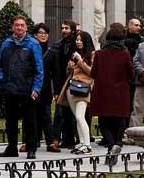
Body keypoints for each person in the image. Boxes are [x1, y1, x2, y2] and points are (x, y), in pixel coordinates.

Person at [0, 15, 44, 159]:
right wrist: (1, 80)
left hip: (27, 89)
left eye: (22, 25)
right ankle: (11, 147)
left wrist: (36, 88)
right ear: (12, 27)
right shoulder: (6, 44)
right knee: (10, 121)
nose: (19, 27)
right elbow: (0, 65)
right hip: (10, 88)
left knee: (29, 121)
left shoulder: (33, 44)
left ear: (26, 27)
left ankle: (31, 148)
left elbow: (39, 69)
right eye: (17, 25)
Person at [91, 23, 135, 163]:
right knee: (119, 120)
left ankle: (111, 147)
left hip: (102, 92)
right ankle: (117, 143)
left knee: (104, 121)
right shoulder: (125, 54)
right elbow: (131, 73)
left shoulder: (99, 54)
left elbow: (93, 73)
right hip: (120, 92)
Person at [56, 31, 95, 154]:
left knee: (79, 116)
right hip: (71, 87)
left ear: (86, 41)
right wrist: (70, 66)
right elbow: (70, 72)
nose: (78, 42)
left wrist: (79, 61)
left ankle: (87, 145)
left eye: (80, 40)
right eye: (77, 40)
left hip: (83, 88)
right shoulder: (75, 54)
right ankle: (82, 142)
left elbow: (91, 72)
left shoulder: (93, 54)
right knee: (77, 118)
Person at [47, 21, 79, 152]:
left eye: (66, 28)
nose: (64, 30)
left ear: (72, 30)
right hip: (61, 83)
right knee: (60, 113)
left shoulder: (77, 45)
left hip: (75, 83)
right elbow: (54, 69)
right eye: (62, 28)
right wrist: (56, 88)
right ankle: (57, 139)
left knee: (72, 113)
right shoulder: (58, 45)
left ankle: (70, 139)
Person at [30, 23, 57, 152]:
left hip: (46, 87)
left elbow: (55, 72)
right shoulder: (30, 48)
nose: (43, 35)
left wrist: (56, 91)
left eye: (45, 33)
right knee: (31, 114)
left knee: (46, 114)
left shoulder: (51, 51)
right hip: (32, 85)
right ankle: (31, 141)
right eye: (40, 33)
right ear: (35, 35)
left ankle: (50, 142)